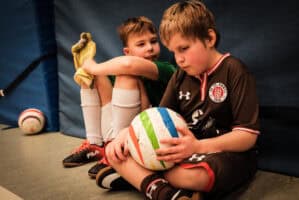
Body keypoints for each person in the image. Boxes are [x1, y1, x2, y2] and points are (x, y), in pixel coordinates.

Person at [97, 1, 260, 199]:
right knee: (116, 154)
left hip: (222, 152)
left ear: (209, 38)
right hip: (183, 152)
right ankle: (169, 193)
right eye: (173, 52)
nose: (178, 59)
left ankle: (146, 181)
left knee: (194, 175)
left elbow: (247, 137)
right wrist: (126, 133)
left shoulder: (234, 70)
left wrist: (198, 147)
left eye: (183, 48)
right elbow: (156, 116)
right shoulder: (180, 75)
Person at [62, 16, 176, 179]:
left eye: (153, 41)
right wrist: (86, 66)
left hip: (148, 136)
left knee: (126, 76)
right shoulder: (122, 66)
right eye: (141, 44)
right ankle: (95, 144)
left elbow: (128, 65)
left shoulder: (167, 69)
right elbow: (119, 67)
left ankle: (120, 154)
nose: (150, 48)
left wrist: (92, 65)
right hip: (120, 131)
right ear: (127, 52)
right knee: (90, 77)